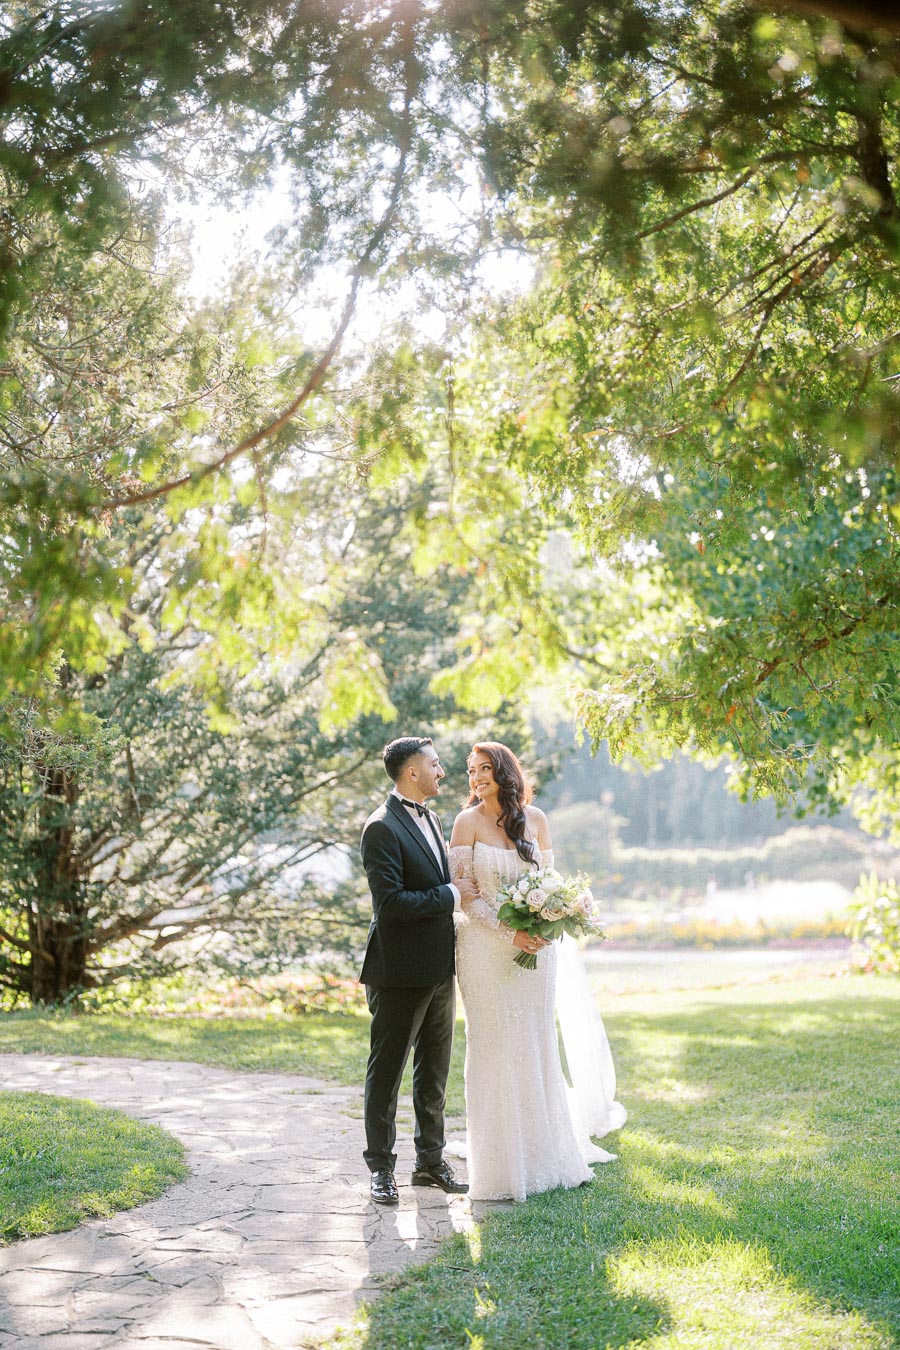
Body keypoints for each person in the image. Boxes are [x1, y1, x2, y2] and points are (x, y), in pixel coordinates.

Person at [449, 741, 626, 1202]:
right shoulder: (465, 823)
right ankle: (499, 1167)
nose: (476, 778)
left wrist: (548, 920)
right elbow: (466, 897)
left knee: (535, 1043)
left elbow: (549, 885)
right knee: (492, 1047)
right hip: (484, 952)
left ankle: (544, 1154)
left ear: (505, 772)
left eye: (484, 768)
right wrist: (511, 935)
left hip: (537, 953)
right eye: (470, 771)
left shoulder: (538, 820)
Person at [359, 735, 478, 1206]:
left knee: (434, 1072)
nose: (442, 771)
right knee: (386, 1074)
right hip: (397, 971)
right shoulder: (381, 828)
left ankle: (430, 1162)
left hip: (438, 969)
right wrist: (453, 895)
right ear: (412, 772)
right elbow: (390, 906)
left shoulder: (431, 818)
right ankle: (380, 1169)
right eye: (434, 764)